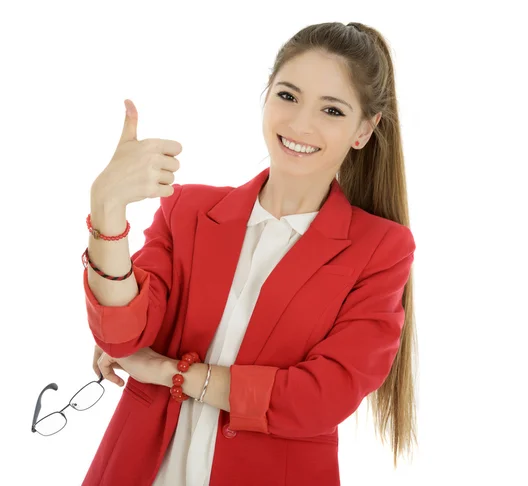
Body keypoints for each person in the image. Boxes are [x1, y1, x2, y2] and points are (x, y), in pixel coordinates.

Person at [81, 21, 417, 486]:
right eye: (288, 96)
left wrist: (168, 372)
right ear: (266, 96)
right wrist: (108, 210)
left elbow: (317, 399)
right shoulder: (189, 209)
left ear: (364, 130)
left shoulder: (380, 249)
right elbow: (121, 336)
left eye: (332, 110)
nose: (300, 124)